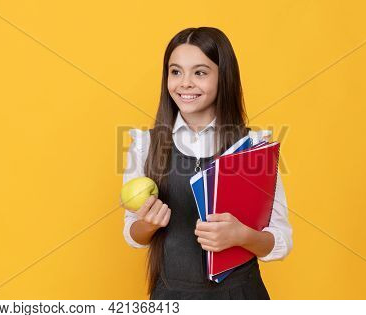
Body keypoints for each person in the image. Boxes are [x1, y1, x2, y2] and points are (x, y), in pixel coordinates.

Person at [122, 27, 293, 300]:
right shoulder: (144, 145)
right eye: (175, 71)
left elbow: (280, 239)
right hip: (171, 296)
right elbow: (133, 233)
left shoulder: (253, 147)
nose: (185, 83)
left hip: (241, 297)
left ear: (223, 78)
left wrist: (241, 236)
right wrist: (150, 224)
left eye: (200, 73)